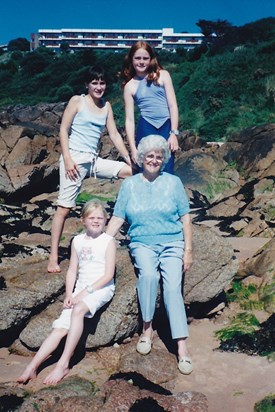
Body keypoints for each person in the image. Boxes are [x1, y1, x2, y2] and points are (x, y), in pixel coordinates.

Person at [106, 135, 193, 375]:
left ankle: (182, 346)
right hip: (142, 243)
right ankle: (147, 329)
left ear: (163, 159)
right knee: (149, 277)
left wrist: (188, 250)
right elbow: (118, 218)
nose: (154, 159)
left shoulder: (174, 182)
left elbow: (186, 217)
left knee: (173, 288)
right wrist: (101, 242)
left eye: (158, 156)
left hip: (172, 243)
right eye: (149, 156)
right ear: (141, 158)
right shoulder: (129, 185)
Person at [17, 200, 116, 385]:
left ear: (106, 220)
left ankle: (63, 363)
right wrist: (69, 294)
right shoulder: (77, 241)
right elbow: (72, 270)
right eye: (92, 218)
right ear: (83, 220)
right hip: (80, 288)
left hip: (100, 288)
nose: (96, 221)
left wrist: (83, 294)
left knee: (78, 310)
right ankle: (32, 366)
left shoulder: (108, 242)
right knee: (60, 328)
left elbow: (108, 275)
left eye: (100, 218)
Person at [47, 66, 132, 273]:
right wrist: (67, 159)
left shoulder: (107, 106)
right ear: (87, 84)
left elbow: (114, 134)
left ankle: (121, 219)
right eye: (95, 82)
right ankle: (53, 256)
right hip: (74, 160)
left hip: (93, 161)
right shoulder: (78, 101)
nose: (99, 87)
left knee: (131, 173)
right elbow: (63, 129)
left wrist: (129, 158)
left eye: (102, 83)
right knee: (64, 209)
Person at [121, 41, 179, 174]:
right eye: (137, 58)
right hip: (146, 126)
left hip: (166, 126)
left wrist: (174, 133)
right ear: (131, 59)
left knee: (167, 167)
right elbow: (129, 120)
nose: (141, 62)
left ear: (151, 59)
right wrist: (133, 149)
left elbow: (173, 105)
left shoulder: (163, 75)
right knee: (146, 170)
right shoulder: (129, 86)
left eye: (145, 58)